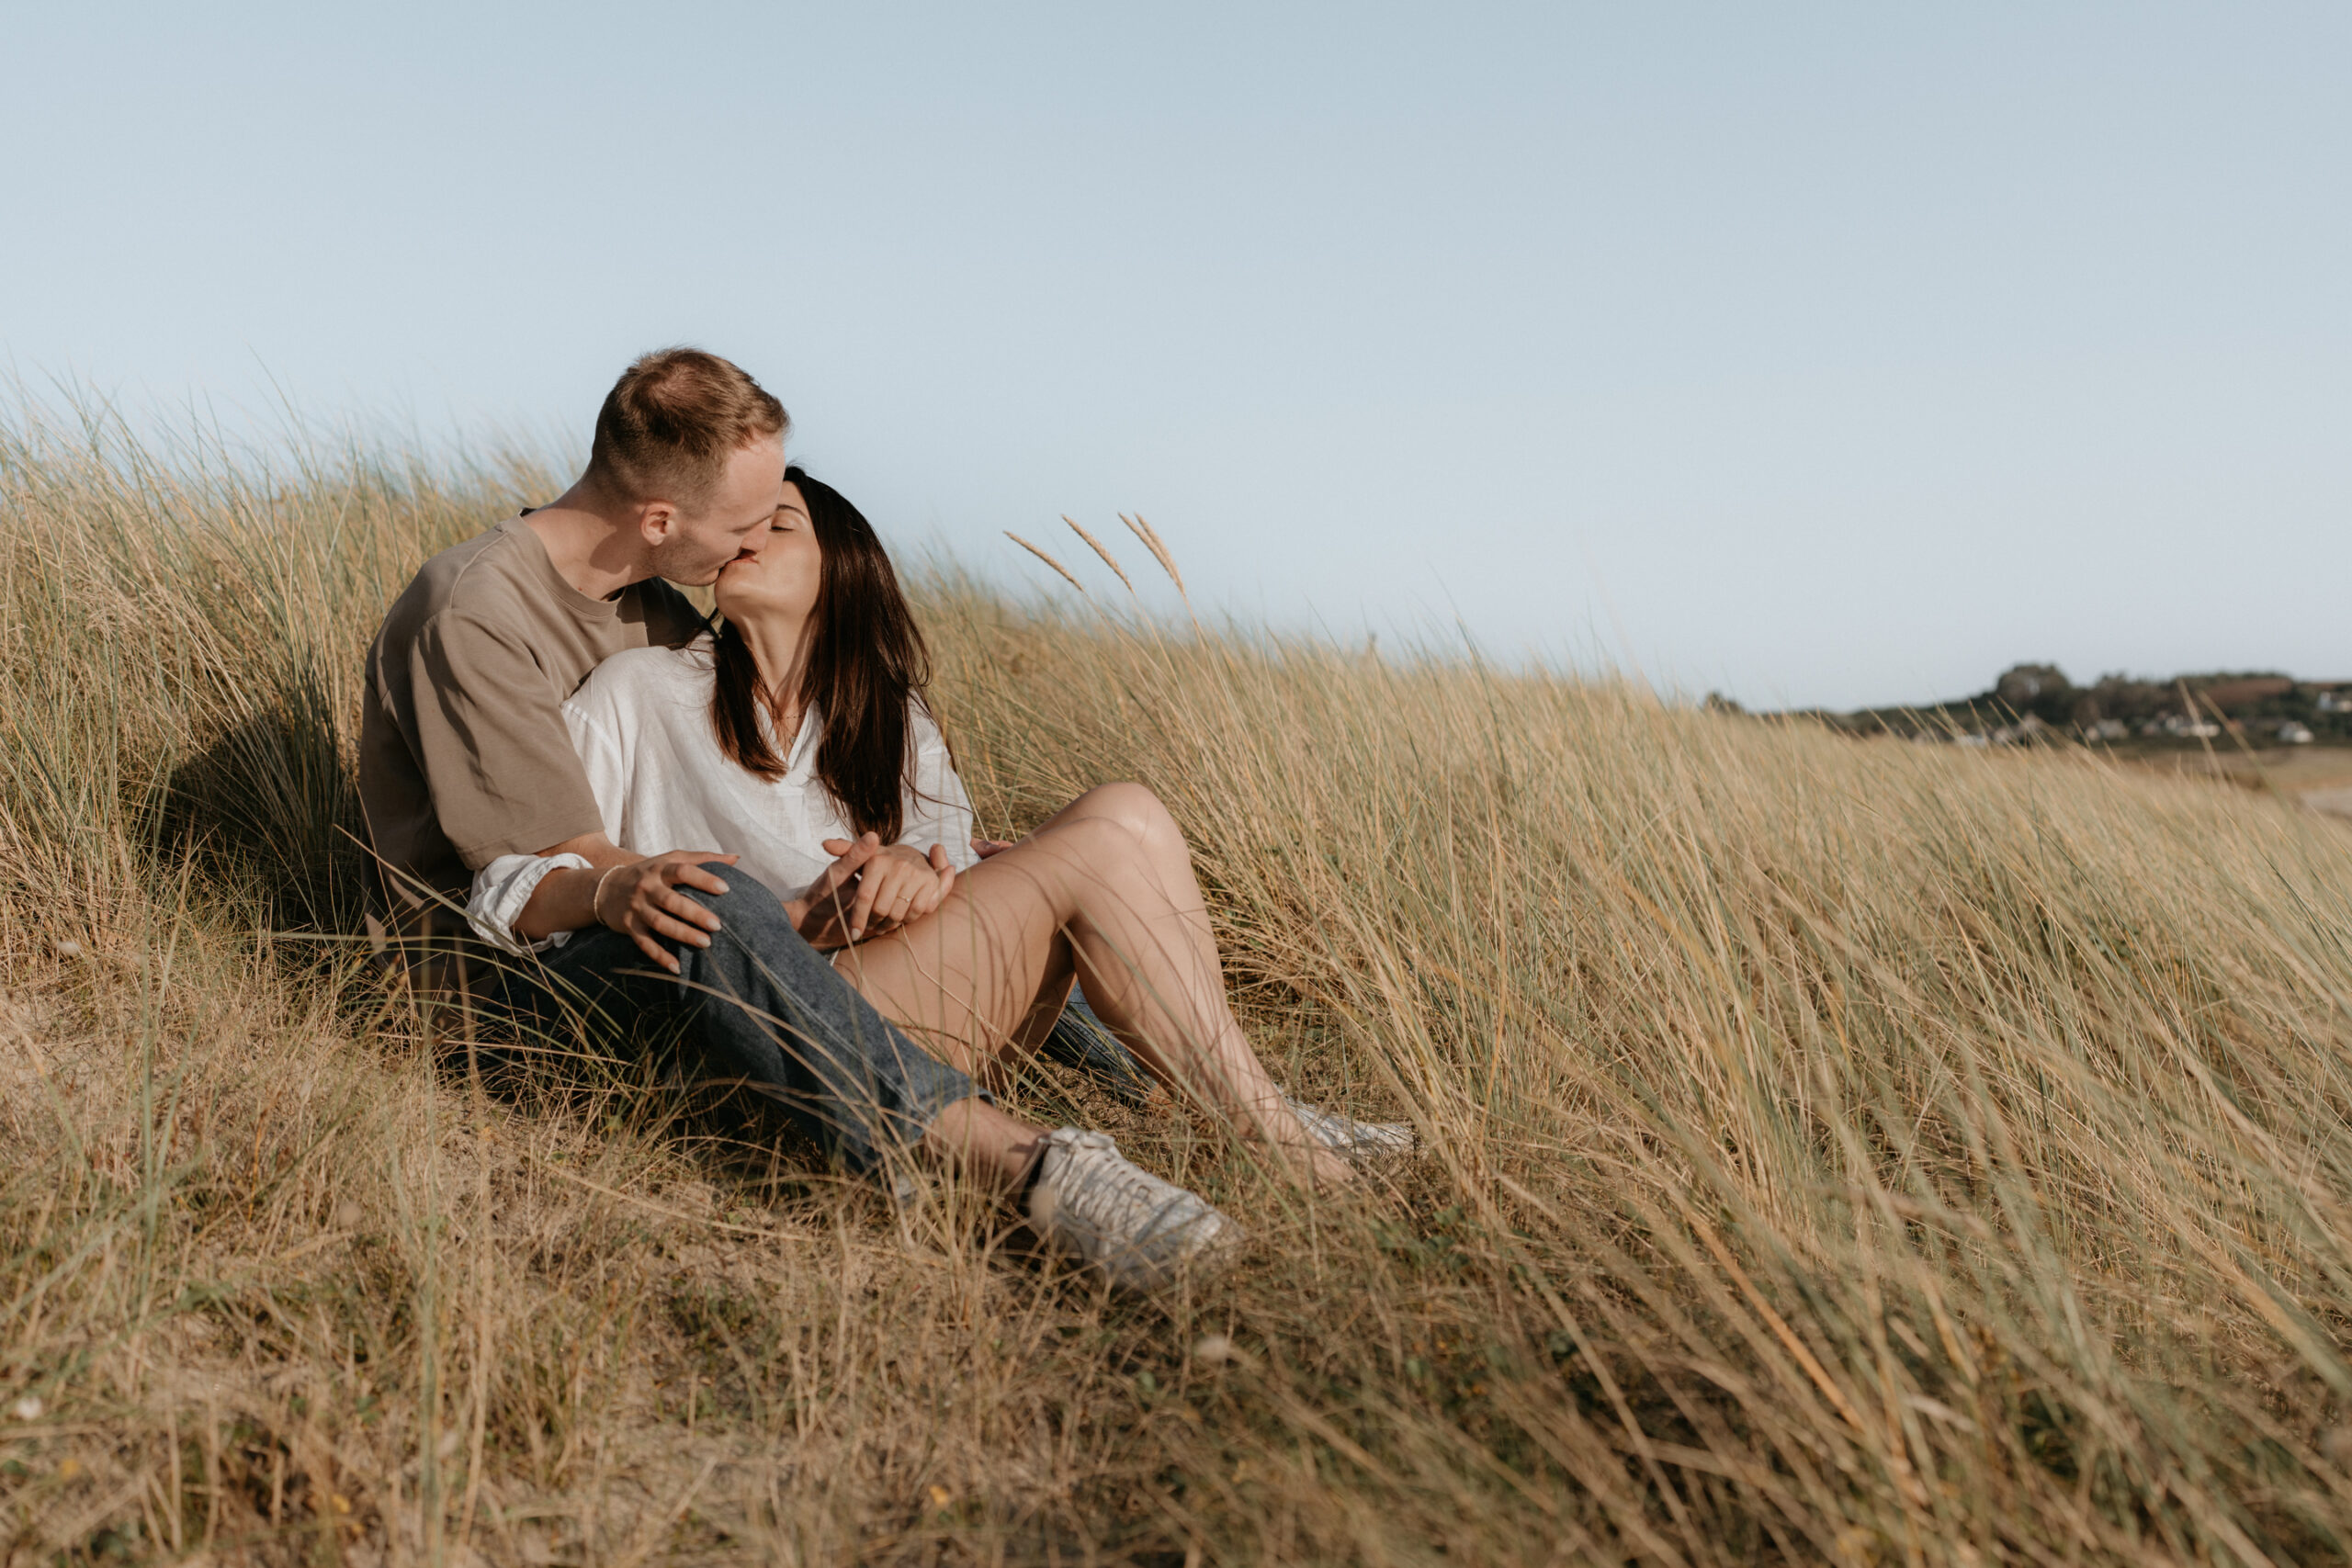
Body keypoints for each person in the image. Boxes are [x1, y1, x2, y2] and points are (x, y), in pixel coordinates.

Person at [361, 349, 1396, 1293]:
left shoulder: (662, 605)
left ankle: (1252, 1120)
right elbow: (554, 881)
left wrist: (923, 877)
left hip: (764, 972)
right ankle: (1035, 1168)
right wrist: (785, 911)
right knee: (710, 899)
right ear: (666, 523)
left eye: (782, 518)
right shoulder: (514, 624)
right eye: (752, 517)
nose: (761, 529)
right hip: (515, 998)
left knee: (1106, 827)